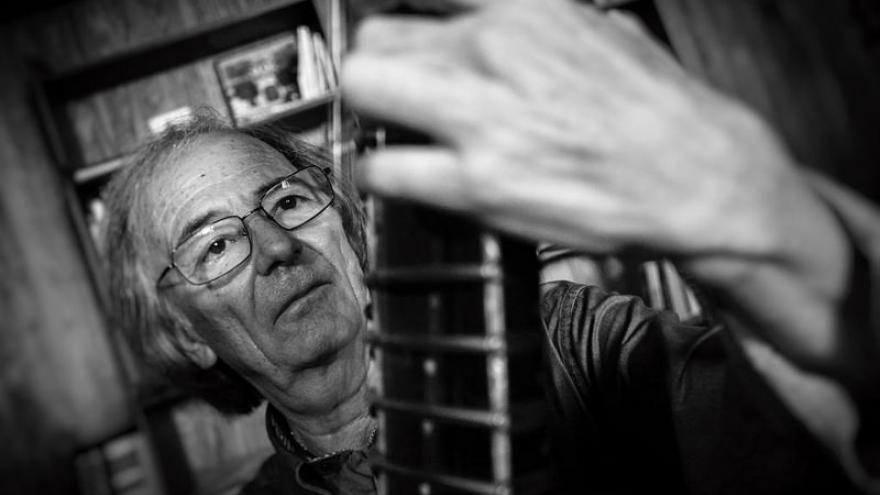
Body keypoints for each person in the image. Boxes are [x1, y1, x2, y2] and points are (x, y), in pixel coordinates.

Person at [340, 0, 880, 491]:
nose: (273, 248)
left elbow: (779, 435)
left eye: (288, 201)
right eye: (246, 234)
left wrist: (761, 226)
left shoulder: (567, 334)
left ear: (351, 210)